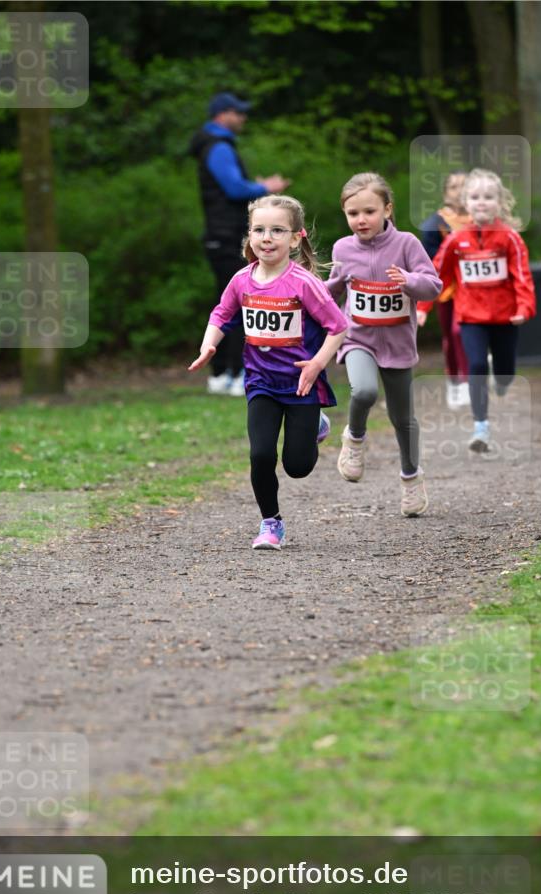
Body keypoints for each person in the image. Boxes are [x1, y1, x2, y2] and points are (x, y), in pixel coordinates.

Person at [188, 195, 348, 550]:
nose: (267, 237)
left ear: (294, 238)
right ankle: (271, 523)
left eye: (277, 230)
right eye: (259, 230)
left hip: (301, 384)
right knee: (260, 454)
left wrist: (318, 363)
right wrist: (208, 344)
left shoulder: (304, 283)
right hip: (260, 383)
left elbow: (338, 327)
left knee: (298, 466)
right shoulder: (242, 280)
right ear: (249, 235)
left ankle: (316, 425)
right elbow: (221, 313)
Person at [326, 172, 442, 517]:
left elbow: (433, 285)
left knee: (402, 418)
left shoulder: (406, 244)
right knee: (363, 392)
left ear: (387, 209)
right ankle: (355, 438)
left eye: (369, 211)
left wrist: (409, 281)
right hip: (358, 337)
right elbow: (333, 289)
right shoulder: (342, 248)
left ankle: (411, 478)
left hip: (398, 344)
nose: (361, 220)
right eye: (353, 213)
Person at [417, 168, 536, 452]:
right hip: (470, 316)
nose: (481, 202)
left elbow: (522, 276)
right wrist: (423, 306)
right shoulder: (456, 240)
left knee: (505, 372)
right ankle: (480, 427)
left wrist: (524, 308)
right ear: (465, 203)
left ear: (500, 202)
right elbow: (437, 274)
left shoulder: (510, 239)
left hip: (505, 317)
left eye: (488, 197)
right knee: (478, 366)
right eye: (474, 197)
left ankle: (503, 380)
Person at [189, 92, 290, 397]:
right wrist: (264, 188)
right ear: (222, 115)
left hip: (221, 236)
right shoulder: (218, 147)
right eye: (238, 113)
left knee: (227, 303)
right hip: (228, 236)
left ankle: (222, 373)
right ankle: (235, 373)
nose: (243, 118)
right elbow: (233, 189)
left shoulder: (213, 145)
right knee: (240, 303)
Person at [419, 172, 471, 409]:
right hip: (447, 289)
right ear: (445, 193)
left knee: (461, 331)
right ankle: (454, 379)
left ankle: (469, 379)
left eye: (464, 186)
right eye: (453, 187)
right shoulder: (435, 224)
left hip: (475, 289)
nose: (459, 191)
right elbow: (431, 262)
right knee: (451, 335)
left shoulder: (481, 219)